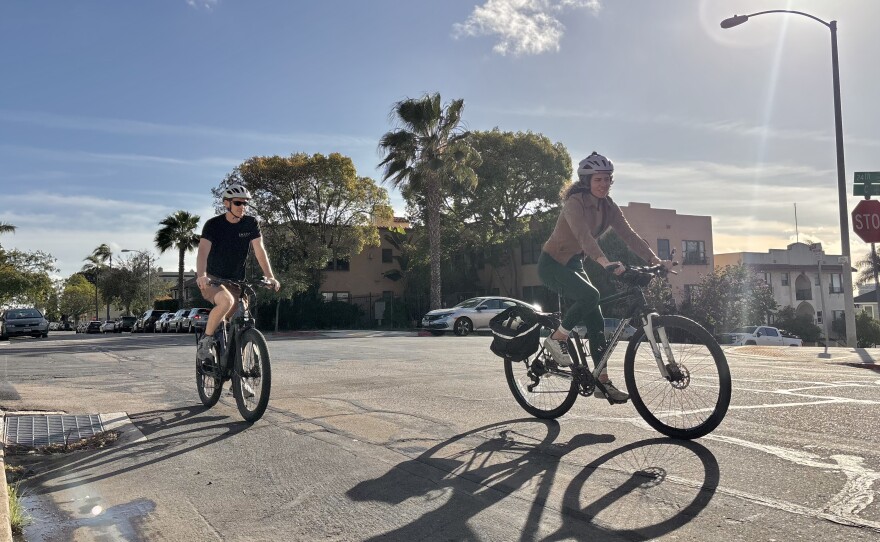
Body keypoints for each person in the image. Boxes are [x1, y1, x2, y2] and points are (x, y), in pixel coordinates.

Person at [538, 151, 669, 403]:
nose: (604, 184)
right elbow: (583, 236)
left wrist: (655, 260)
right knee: (591, 295)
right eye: (598, 179)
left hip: (575, 263)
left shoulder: (609, 206)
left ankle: (602, 380)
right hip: (552, 264)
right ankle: (557, 338)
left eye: (608, 179)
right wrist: (604, 262)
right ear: (587, 181)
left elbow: (629, 235)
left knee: (596, 320)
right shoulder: (574, 203)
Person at [195, 184, 280, 369]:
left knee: (243, 320)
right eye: (238, 203)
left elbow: (260, 250)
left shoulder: (250, 223)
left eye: (245, 203)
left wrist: (270, 276)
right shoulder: (213, 225)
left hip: (236, 282)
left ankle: (239, 369)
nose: (243, 207)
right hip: (213, 279)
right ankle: (206, 341)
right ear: (227, 203)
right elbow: (202, 252)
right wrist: (201, 275)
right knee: (226, 301)